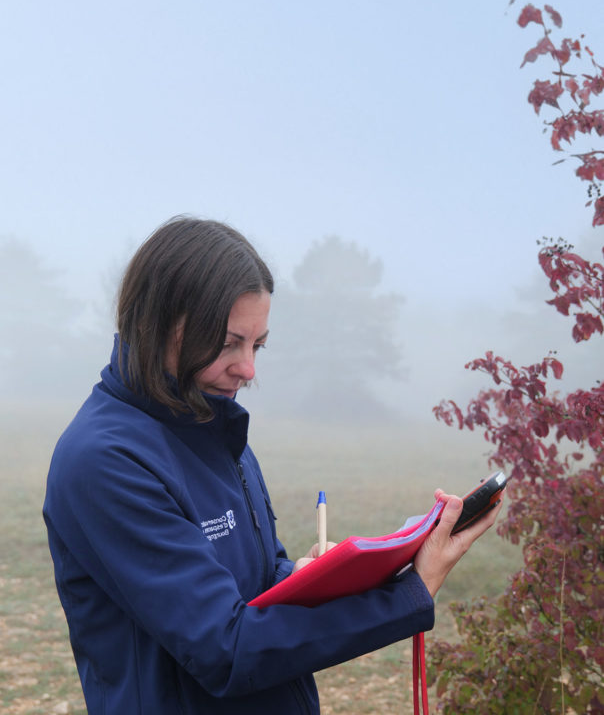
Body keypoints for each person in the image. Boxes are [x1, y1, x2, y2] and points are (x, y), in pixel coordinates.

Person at [44, 216, 501, 715]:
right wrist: (409, 595)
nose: (248, 369)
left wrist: (302, 577)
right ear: (160, 325)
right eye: (227, 344)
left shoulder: (210, 422)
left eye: (257, 345)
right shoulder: (106, 461)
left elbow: (247, 583)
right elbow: (225, 648)